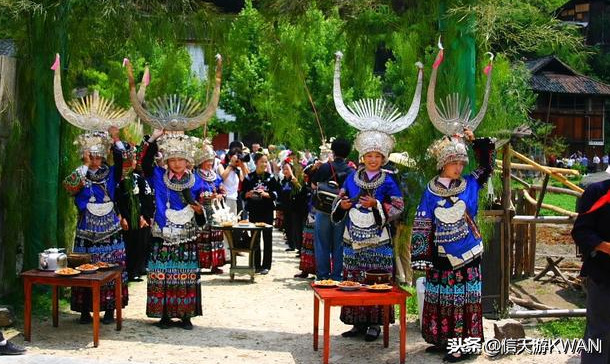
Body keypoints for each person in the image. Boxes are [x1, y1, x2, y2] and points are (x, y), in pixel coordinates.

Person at [330, 50, 422, 341]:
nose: (372, 160)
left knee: (375, 280)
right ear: (362, 156)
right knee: (353, 278)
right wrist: (343, 205)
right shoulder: (352, 177)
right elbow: (340, 199)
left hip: (378, 240)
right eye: (368, 155)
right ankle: (356, 322)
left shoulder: (389, 180)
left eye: (376, 156)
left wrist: (377, 205)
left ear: (383, 158)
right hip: (352, 238)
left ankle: (374, 324)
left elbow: (398, 206)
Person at [411, 131, 495, 362]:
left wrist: (474, 140)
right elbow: (423, 222)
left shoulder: (471, 183)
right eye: (453, 163)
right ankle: (443, 340)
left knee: (462, 299)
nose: (458, 167)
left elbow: (487, 164)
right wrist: (422, 256)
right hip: (440, 255)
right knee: (440, 298)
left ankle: (461, 345)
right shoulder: (430, 190)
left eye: (461, 163)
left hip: (468, 253)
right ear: (442, 164)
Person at [139, 130, 206, 330]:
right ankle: (164, 315)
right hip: (163, 233)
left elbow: (203, 217)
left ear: (188, 162)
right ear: (167, 161)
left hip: (186, 234)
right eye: (173, 159)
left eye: (181, 159)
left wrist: (199, 211)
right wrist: (153, 138)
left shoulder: (197, 181)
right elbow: (144, 163)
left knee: (186, 275)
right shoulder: (158, 176)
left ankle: (186, 316)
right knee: (163, 274)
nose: (177, 163)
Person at [63, 130, 129, 325]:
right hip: (87, 228)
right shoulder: (80, 174)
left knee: (110, 267)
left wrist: (116, 139)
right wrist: (84, 165)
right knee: (84, 267)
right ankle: (85, 310)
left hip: (110, 228)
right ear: (85, 155)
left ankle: (109, 309)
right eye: (91, 156)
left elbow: (124, 160)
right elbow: (69, 187)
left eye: (99, 156)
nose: (95, 160)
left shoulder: (111, 173)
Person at [571, 169, 610, 364]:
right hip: (602, 274)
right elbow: (581, 231)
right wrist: (605, 247)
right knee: (599, 332)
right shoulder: (597, 192)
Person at [111, 127, 154, 282]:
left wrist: (145, 216)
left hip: (139, 217)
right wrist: (120, 216)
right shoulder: (116, 179)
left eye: (134, 159)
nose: (133, 162)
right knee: (127, 244)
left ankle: (136, 270)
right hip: (124, 217)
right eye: (130, 160)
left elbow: (147, 198)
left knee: (139, 244)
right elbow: (115, 199)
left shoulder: (139, 178)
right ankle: (126, 272)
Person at [311, 138, 354, 281]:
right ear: (348, 153)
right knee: (339, 244)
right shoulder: (351, 171)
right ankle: (337, 276)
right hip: (342, 211)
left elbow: (313, 185)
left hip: (323, 210)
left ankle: (323, 275)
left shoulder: (325, 167)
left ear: (333, 151)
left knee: (322, 243)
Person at [241, 152, 280, 275]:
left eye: (265, 162)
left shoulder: (270, 177)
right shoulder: (249, 178)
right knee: (255, 238)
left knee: (267, 238)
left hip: (267, 210)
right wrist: (248, 194)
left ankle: (266, 265)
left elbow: (277, 193)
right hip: (254, 210)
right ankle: (256, 264)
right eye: (262, 161)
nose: (264, 164)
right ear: (256, 162)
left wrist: (266, 194)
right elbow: (242, 194)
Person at [195, 141, 226, 274]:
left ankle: (215, 264)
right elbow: (193, 194)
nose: (210, 163)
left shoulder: (216, 176)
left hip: (216, 211)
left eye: (211, 161)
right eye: (207, 161)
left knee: (216, 235)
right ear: (201, 161)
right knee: (203, 236)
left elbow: (222, 190)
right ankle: (202, 263)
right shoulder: (195, 177)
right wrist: (205, 198)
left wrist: (220, 195)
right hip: (202, 211)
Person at [278, 160, 307, 252]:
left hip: (295, 208)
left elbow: (301, 191)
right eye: (284, 169)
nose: (285, 171)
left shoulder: (296, 180)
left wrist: (295, 181)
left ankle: (299, 247)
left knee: (296, 227)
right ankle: (291, 245)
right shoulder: (282, 181)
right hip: (286, 207)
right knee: (287, 226)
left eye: (287, 169)